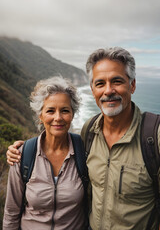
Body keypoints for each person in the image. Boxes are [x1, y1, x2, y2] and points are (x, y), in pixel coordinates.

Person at [6, 47, 160, 230]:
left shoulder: (153, 137)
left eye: (117, 81)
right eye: (100, 83)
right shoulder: (89, 133)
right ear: (93, 89)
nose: (108, 90)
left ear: (132, 85)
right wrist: (20, 150)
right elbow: (11, 213)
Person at [3, 76, 88, 230]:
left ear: (72, 115)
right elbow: (11, 212)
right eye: (50, 111)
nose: (58, 118)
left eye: (65, 111)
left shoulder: (84, 152)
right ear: (40, 116)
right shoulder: (23, 156)